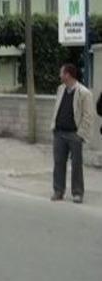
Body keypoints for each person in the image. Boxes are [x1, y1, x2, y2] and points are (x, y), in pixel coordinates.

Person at [51, 64, 95, 204]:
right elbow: (57, 108)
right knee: (58, 163)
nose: (60, 76)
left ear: (67, 75)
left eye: (61, 73)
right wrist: (54, 127)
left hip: (74, 134)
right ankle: (58, 191)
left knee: (76, 165)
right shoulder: (61, 89)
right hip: (59, 133)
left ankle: (77, 193)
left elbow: (88, 116)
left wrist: (80, 134)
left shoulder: (84, 93)